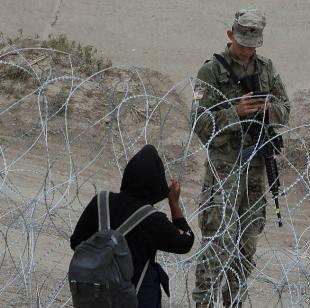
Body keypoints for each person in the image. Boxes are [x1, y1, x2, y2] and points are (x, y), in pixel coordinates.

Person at [191, 8, 290, 308]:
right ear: (230, 35)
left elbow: (285, 110)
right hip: (224, 167)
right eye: (242, 43)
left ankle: (233, 301)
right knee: (217, 238)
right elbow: (198, 123)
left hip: (255, 168)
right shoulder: (211, 72)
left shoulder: (265, 69)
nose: (247, 50)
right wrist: (236, 112)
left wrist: (266, 108)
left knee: (246, 243)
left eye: (253, 45)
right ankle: (204, 302)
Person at [70, 144, 194, 308]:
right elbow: (186, 241)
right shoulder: (152, 220)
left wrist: (102, 259)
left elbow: (76, 242)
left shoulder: (101, 202)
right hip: (134, 298)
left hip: (96, 295)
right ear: (155, 183)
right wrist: (174, 203)